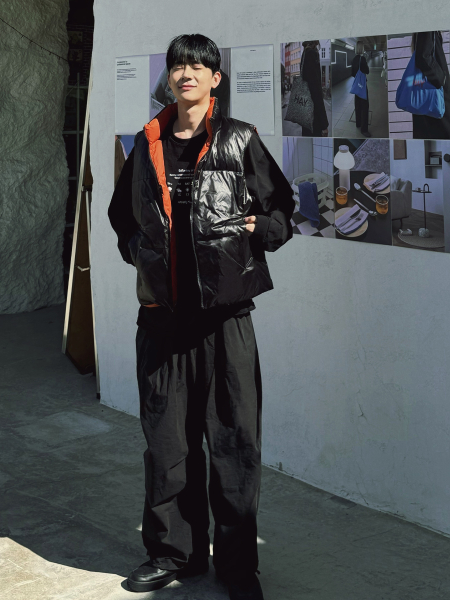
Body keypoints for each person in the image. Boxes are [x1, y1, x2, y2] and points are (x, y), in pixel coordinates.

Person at [108, 33, 295, 600]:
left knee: (235, 447)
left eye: (198, 66)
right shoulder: (147, 143)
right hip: (162, 321)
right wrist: (142, 254)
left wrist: (259, 229)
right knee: (168, 447)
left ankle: (238, 567)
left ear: (216, 79)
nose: (186, 73)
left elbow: (282, 211)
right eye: (178, 66)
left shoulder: (239, 141)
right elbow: (121, 217)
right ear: (168, 78)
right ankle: (174, 554)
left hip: (225, 321)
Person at [412, 31, 450, 140]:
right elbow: (423, 58)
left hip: (430, 93)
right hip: (436, 93)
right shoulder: (428, 28)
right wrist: (442, 79)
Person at [300, 40, 329, 137]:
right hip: (313, 116)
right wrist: (324, 124)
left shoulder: (304, 54)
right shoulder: (312, 54)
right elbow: (316, 91)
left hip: (305, 112)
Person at [351, 40, 371, 137]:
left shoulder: (354, 59)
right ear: (361, 48)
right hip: (362, 86)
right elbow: (367, 71)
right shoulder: (362, 59)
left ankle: (358, 123)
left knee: (357, 105)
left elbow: (352, 73)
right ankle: (364, 130)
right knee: (365, 107)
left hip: (356, 86)